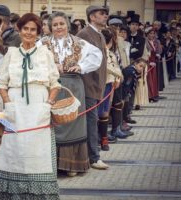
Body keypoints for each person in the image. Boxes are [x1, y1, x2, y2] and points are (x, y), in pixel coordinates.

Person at [0, 13, 61, 199]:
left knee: (37, 151)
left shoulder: (45, 54)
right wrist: (8, 103)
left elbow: (55, 84)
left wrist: (48, 104)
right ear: (20, 29)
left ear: (38, 32)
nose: (29, 32)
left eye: (33, 29)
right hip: (15, 107)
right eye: (26, 28)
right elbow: (1, 84)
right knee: (13, 149)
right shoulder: (11, 53)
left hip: (39, 106)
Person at [39, 11, 102, 176]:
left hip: (74, 85)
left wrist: (82, 67)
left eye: (61, 24)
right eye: (55, 24)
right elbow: (34, 62)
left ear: (67, 25)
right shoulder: (42, 43)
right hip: (51, 86)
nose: (59, 27)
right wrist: (51, 67)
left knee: (73, 122)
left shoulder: (79, 42)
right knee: (52, 122)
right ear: (50, 27)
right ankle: (53, 164)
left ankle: (72, 165)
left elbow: (97, 56)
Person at [76, 5, 109, 170]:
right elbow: (78, 59)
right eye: (101, 14)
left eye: (105, 14)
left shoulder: (100, 35)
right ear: (92, 17)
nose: (105, 16)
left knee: (93, 121)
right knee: (90, 122)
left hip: (98, 85)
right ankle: (94, 158)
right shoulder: (83, 34)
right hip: (87, 84)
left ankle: (91, 156)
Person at [145, 26, 160, 103]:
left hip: (154, 62)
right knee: (149, 80)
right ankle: (149, 96)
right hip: (148, 62)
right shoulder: (145, 41)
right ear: (147, 34)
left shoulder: (154, 42)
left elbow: (157, 50)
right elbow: (145, 53)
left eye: (153, 33)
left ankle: (154, 95)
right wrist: (149, 62)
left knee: (153, 79)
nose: (152, 35)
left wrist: (158, 54)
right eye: (150, 33)